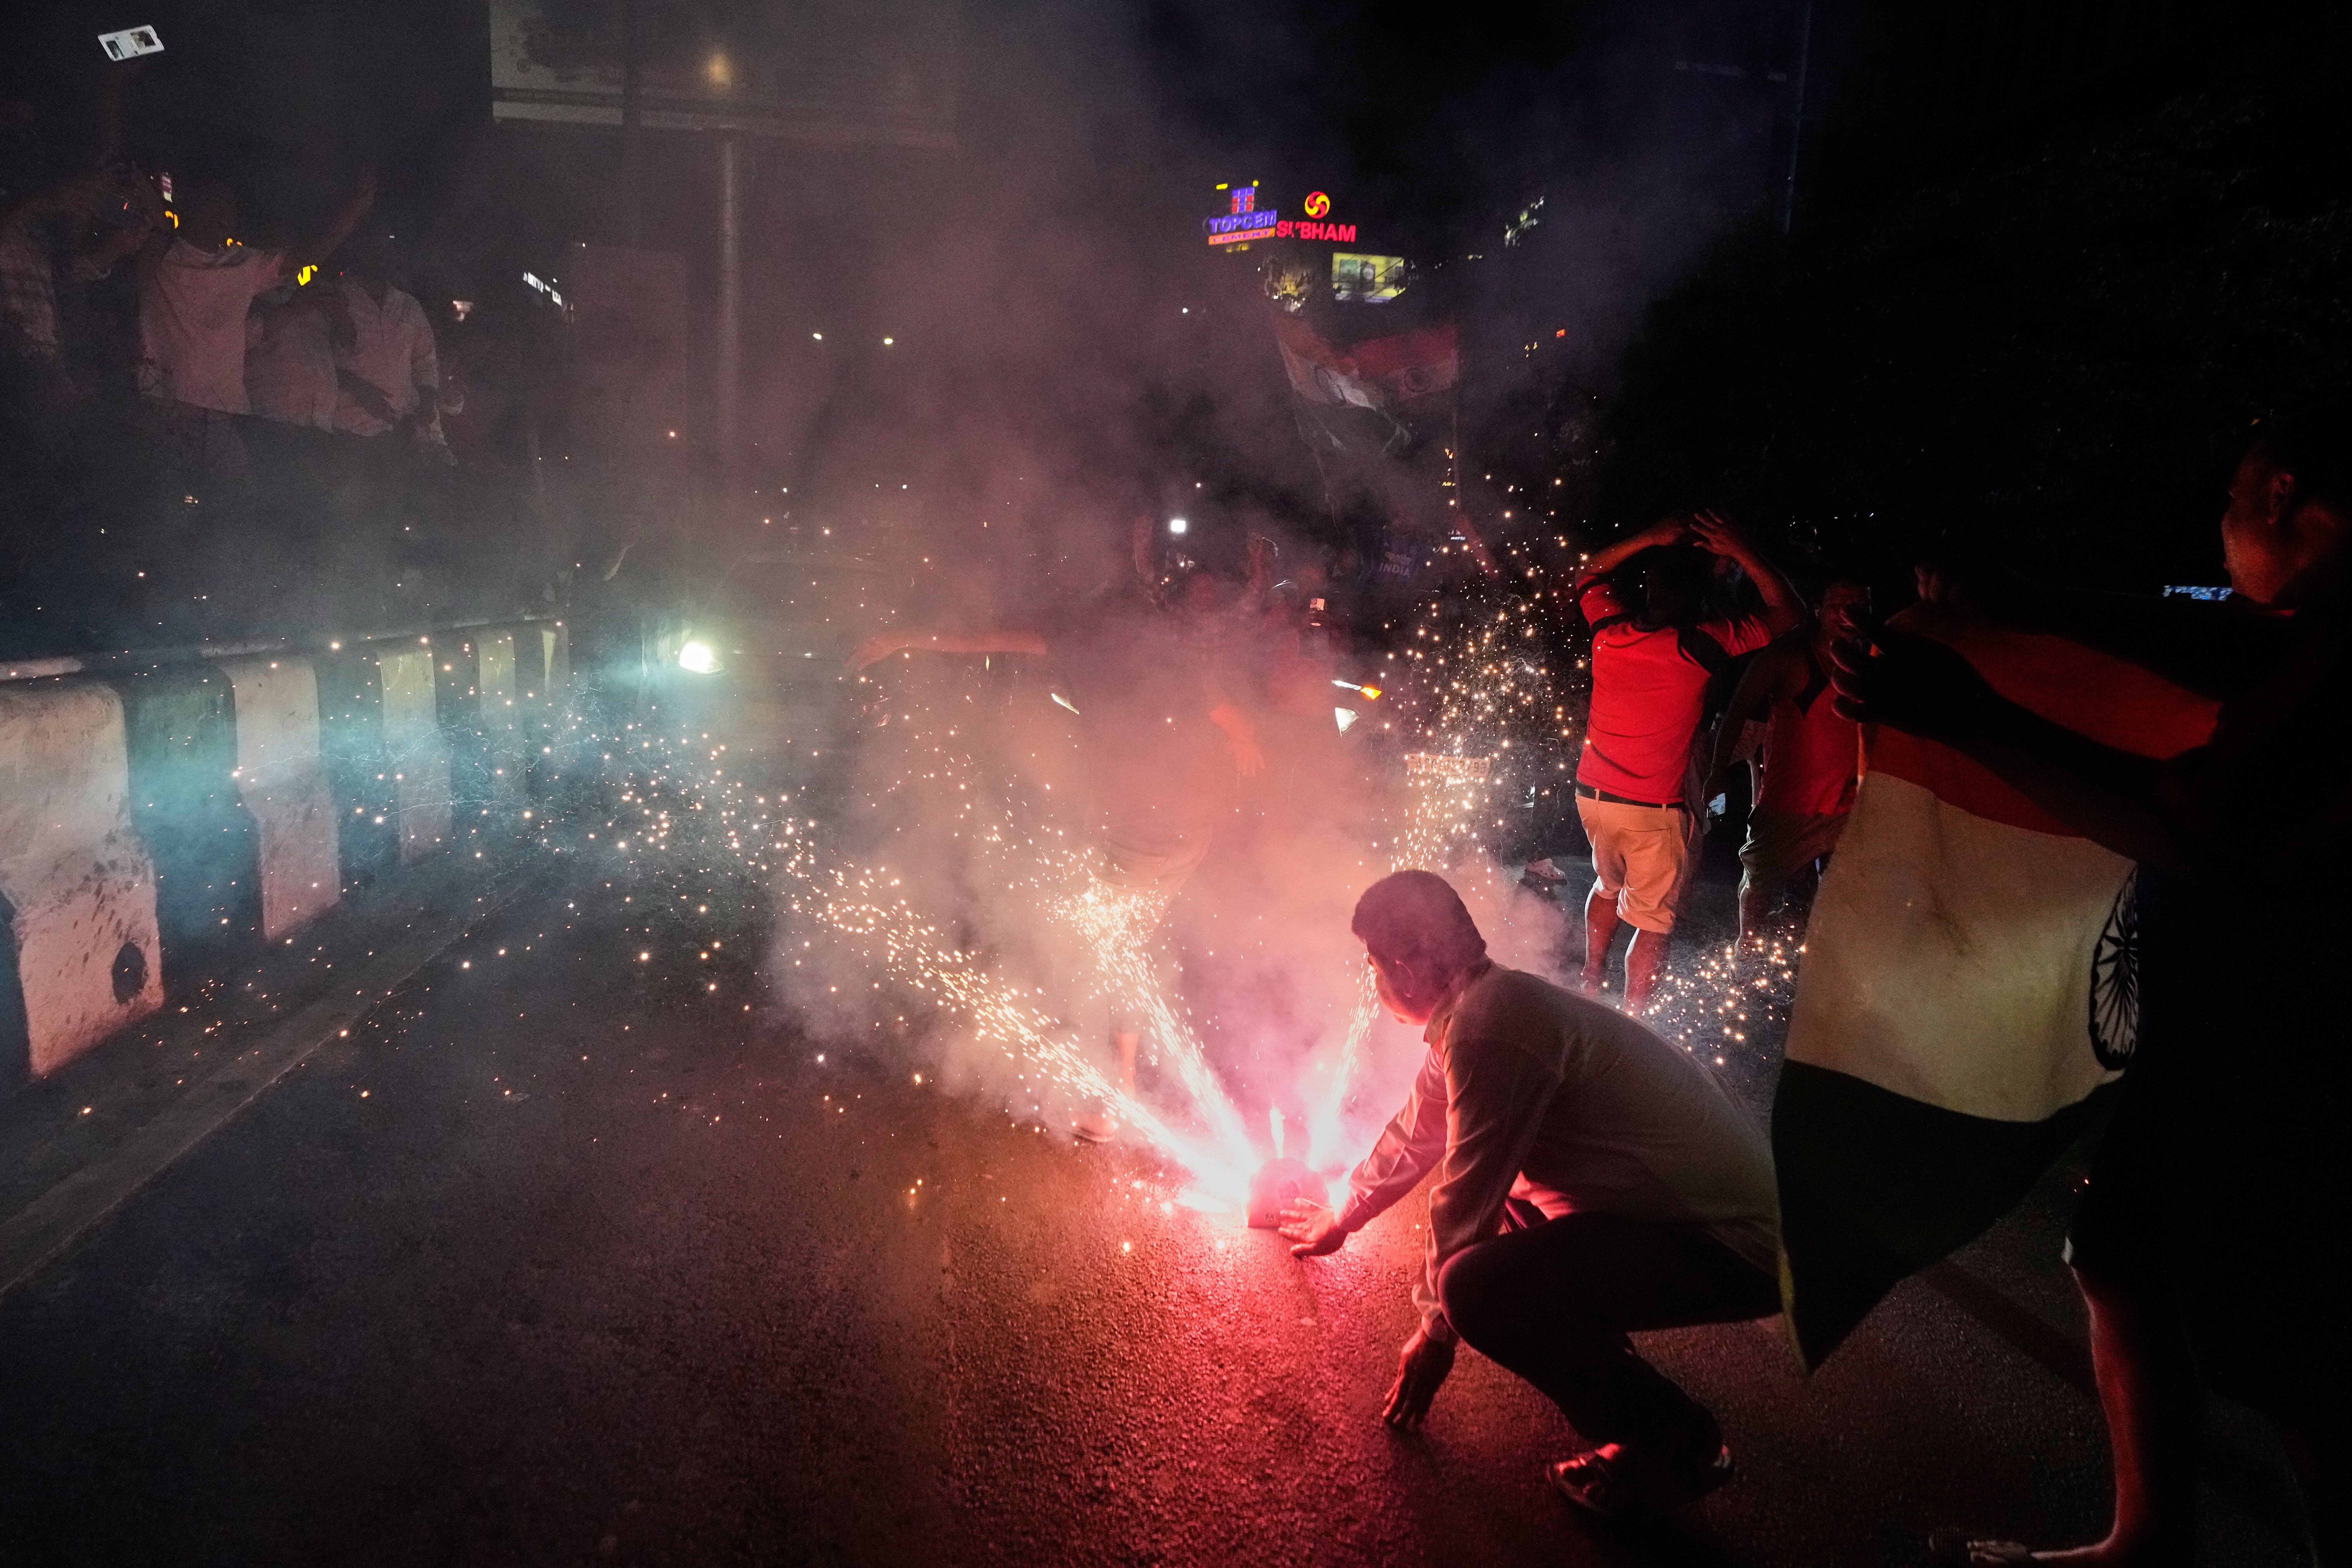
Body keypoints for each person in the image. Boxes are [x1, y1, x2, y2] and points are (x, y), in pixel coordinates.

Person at [1831, 410, 2350, 1567]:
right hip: (2220, 1027)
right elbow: (2200, 640)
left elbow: (2207, 828)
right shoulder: (2302, 631)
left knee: (2303, 1356)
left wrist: (1963, 710)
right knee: (2119, 1248)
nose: (2220, 538)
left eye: (2227, 504)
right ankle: (2149, 1536)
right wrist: (2019, 601)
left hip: (2299, 1053)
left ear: (2276, 492)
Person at [1279, 871, 1782, 1518]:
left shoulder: (1491, 1029)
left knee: (1473, 1287)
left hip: (1738, 1246)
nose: (1373, 982)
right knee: (1515, 1204)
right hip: (1696, 1221)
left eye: (1373, 965)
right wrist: (1342, 1218)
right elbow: (1415, 1132)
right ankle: (1606, 1363)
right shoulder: (1487, 1006)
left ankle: (1676, 1441)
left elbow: (1465, 1195)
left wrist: (1434, 1334)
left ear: (1405, 965)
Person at [847, 528, 1264, 1140]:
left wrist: (903, 639)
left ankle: (1116, 1098)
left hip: (1150, 833)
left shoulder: (1091, 639)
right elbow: (1226, 714)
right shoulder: (1161, 647)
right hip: (1174, 830)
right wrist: (1244, 744)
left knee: (1110, 960)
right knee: (1120, 950)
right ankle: (1117, 1077)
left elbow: (982, 640)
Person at [1566, 511, 1801, 1008]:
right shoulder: (1699, 644)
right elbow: (1790, 614)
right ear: (1695, 599)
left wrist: (1647, 536)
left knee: (1606, 886)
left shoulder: (1607, 630)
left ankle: (1589, 978)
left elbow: (1584, 573)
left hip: (1592, 796)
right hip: (1654, 809)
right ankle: (1632, 1022)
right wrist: (1741, 549)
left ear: (1648, 589)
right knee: (1654, 922)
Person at [1703, 578, 1867, 948]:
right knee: (1760, 883)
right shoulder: (1785, 658)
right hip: (1789, 806)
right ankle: (1747, 954)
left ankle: (1823, 958)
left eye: (1859, 603)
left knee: (1844, 889)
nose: (1850, 613)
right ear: (1819, 609)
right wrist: (1716, 774)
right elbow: (1736, 713)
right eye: (1840, 601)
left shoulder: (1871, 663)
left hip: (1850, 804)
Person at [135, 169, 373, 423]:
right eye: (215, 205)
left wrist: (359, 206)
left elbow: (311, 256)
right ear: (193, 206)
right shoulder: (161, 257)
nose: (225, 216)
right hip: (164, 407)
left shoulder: (244, 264)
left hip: (229, 410)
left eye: (229, 208)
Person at [329, 233, 448, 461]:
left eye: (387, 251)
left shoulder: (408, 306)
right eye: (374, 250)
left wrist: (425, 404)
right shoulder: (336, 297)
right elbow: (316, 355)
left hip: (398, 433)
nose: (382, 257)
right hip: (344, 429)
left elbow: (425, 362)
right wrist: (357, 388)